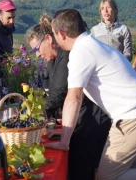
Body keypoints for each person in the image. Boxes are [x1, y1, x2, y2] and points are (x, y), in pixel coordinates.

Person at [46, 9, 136, 179]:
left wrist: (64, 142)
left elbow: (74, 98)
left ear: (62, 34)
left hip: (133, 118)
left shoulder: (81, 52)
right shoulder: (92, 45)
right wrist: (66, 131)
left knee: (106, 176)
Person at [27, 14, 111, 180]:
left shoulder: (67, 56)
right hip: (84, 118)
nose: (36, 55)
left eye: (37, 48)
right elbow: (52, 91)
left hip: (92, 120)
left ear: (48, 38)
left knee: (85, 170)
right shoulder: (54, 60)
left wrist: (36, 115)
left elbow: (60, 93)